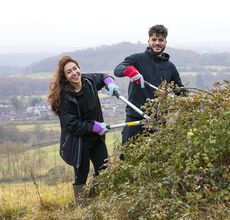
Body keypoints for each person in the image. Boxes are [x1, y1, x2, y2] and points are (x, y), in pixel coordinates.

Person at [48, 56, 119, 199]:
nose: (74, 73)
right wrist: (94, 126)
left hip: (95, 138)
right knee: (81, 175)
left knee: (104, 170)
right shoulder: (64, 98)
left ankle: (92, 199)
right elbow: (72, 125)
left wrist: (110, 82)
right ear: (65, 77)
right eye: (69, 72)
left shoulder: (88, 81)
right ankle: (80, 206)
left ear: (79, 68)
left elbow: (103, 76)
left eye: (75, 68)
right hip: (79, 142)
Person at [114, 24, 188, 147]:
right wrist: (132, 72)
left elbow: (179, 90)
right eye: (154, 40)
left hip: (158, 120)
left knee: (158, 159)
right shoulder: (137, 59)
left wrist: (193, 98)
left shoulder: (170, 67)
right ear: (149, 41)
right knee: (128, 156)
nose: (157, 43)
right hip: (136, 117)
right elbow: (118, 69)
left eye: (160, 40)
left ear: (165, 42)